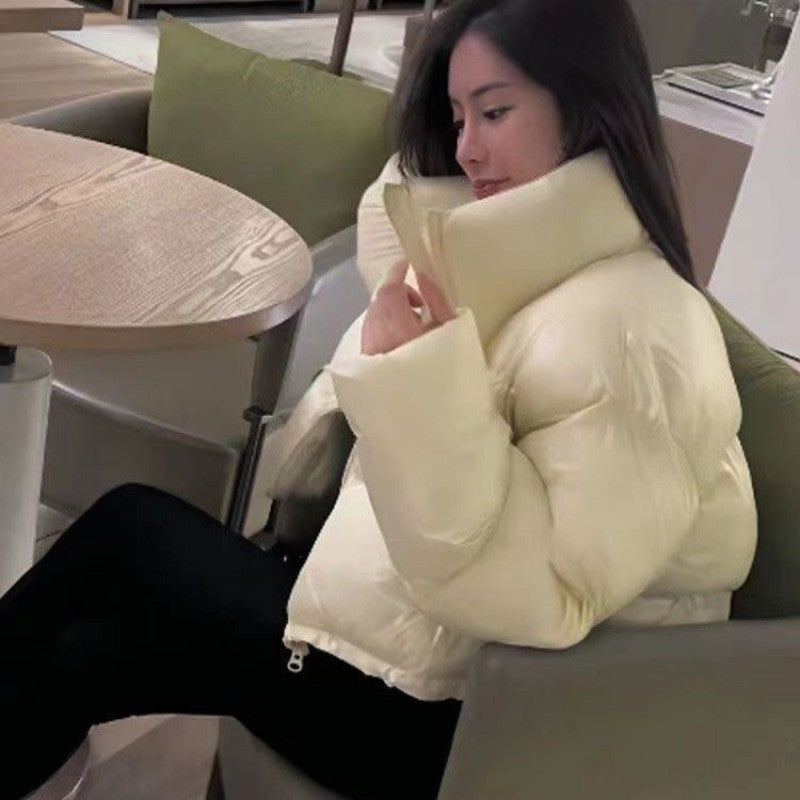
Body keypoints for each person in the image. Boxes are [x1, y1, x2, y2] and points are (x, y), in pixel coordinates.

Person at [2, 0, 757, 798]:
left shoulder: (636, 331)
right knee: (116, 570)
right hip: (423, 648)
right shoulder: (537, 272)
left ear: (588, 104)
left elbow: (540, 596)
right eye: (457, 118)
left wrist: (420, 373)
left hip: (467, 723)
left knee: (109, 609)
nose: (467, 149)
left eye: (495, 112)